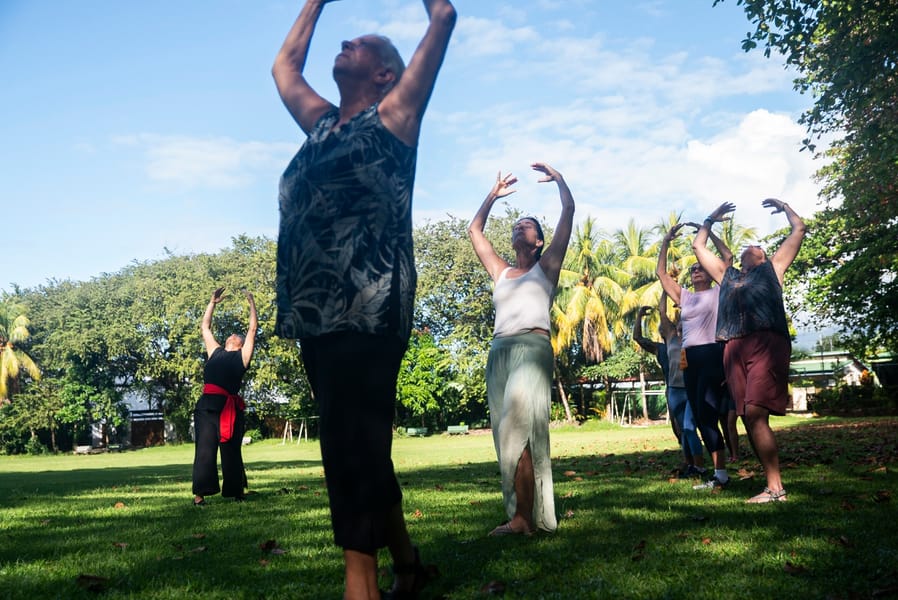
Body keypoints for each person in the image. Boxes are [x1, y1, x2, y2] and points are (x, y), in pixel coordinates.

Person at [272, 1, 456, 597]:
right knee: (359, 443)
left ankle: (361, 584)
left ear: (385, 74)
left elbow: (443, 16)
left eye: (362, 43)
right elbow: (284, 68)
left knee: (348, 445)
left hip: (370, 309)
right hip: (315, 314)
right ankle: (407, 564)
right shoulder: (323, 125)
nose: (345, 42)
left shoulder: (395, 116)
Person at [468, 165, 575, 536]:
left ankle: (522, 521)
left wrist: (560, 181)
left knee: (519, 430)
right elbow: (474, 231)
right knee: (506, 437)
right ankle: (521, 515)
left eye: (526, 225)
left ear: (538, 241)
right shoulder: (500, 271)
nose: (518, 227)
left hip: (532, 348)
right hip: (499, 352)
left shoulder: (547, 267)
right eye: (516, 224)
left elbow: (568, 212)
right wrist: (493, 195)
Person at [693, 200, 806, 503]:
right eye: (748, 246)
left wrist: (785, 207)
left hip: (766, 343)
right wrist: (710, 219)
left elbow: (799, 229)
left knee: (756, 413)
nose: (751, 245)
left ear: (764, 256)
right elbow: (698, 246)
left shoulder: (774, 268)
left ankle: (776, 489)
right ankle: (771, 483)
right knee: (745, 417)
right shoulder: (726, 275)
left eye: (757, 246)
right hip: (732, 347)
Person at [657, 222, 732, 491]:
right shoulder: (685, 297)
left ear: (710, 273)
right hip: (689, 359)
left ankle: (721, 473)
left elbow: (728, 258)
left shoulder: (719, 291)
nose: (696, 270)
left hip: (711, 353)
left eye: (701, 267)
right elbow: (661, 273)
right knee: (700, 417)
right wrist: (666, 241)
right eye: (693, 269)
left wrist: (708, 230)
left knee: (709, 413)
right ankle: (719, 474)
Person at [192, 287, 257, 506]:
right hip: (207, 407)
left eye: (237, 336)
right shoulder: (215, 351)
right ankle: (200, 495)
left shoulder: (242, 357)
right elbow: (205, 327)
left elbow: (252, 329)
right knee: (204, 450)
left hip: (229, 409)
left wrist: (251, 302)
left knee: (231, 450)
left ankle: (237, 492)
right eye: (231, 335)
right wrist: (212, 303)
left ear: (240, 344)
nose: (232, 335)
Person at [634, 295, 704, 476]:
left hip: (692, 388)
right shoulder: (662, 347)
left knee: (689, 427)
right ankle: (689, 464)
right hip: (674, 390)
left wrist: (682, 303)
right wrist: (640, 316)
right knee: (681, 431)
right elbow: (639, 336)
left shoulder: (694, 338)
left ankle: (699, 466)